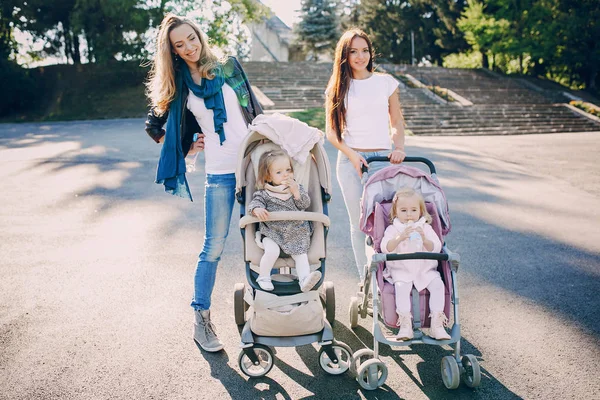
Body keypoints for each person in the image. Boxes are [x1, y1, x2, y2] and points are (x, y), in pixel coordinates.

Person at [144, 13, 263, 352]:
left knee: (258, 242)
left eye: (191, 39)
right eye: (179, 45)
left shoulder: (227, 67)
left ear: (199, 35)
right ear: (173, 51)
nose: (188, 47)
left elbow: (254, 112)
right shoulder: (178, 85)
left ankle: (266, 313)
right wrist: (188, 142)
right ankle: (202, 319)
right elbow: (154, 126)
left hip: (254, 167)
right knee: (213, 246)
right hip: (220, 173)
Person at [325, 28, 407, 281]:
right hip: (350, 162)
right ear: (345, 55)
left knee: (386, 220)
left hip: (382, 160)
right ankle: (367, 283)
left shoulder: (385, 82)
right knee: (359, 224)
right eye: (354, 52)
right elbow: (331, 132)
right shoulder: (338, 87)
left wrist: (399, 148)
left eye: (365, 50)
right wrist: (351, 155)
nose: (360, 56)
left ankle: (389, 277)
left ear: (371, 53)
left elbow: (396, 120)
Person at [380, 188, 450, 341]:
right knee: (401, 288)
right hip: (402, 269)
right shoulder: (393, 229)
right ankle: (405, 324)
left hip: (424, 268)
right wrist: (399, 238)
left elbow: (436, 247)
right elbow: (386, 247)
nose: (409, 214)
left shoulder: (426, 228)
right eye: (403, 210)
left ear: (421, 211)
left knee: (438, 285)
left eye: (413, 210)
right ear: (395, 212)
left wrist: (425, 239)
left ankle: (437, 324)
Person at [248, 150, 321, 292]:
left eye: (288, 170)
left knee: (301, 254)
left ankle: (304, 279)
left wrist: (296, 193)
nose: (286, 174)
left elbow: (304, 205)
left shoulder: (296, 189)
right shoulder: (264, 193)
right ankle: (263, 277)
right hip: (272, 233)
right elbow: (254, 204)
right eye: (279, 172)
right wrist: (257, 209)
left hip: (295, 232)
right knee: (272, 251)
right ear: (268, 176)